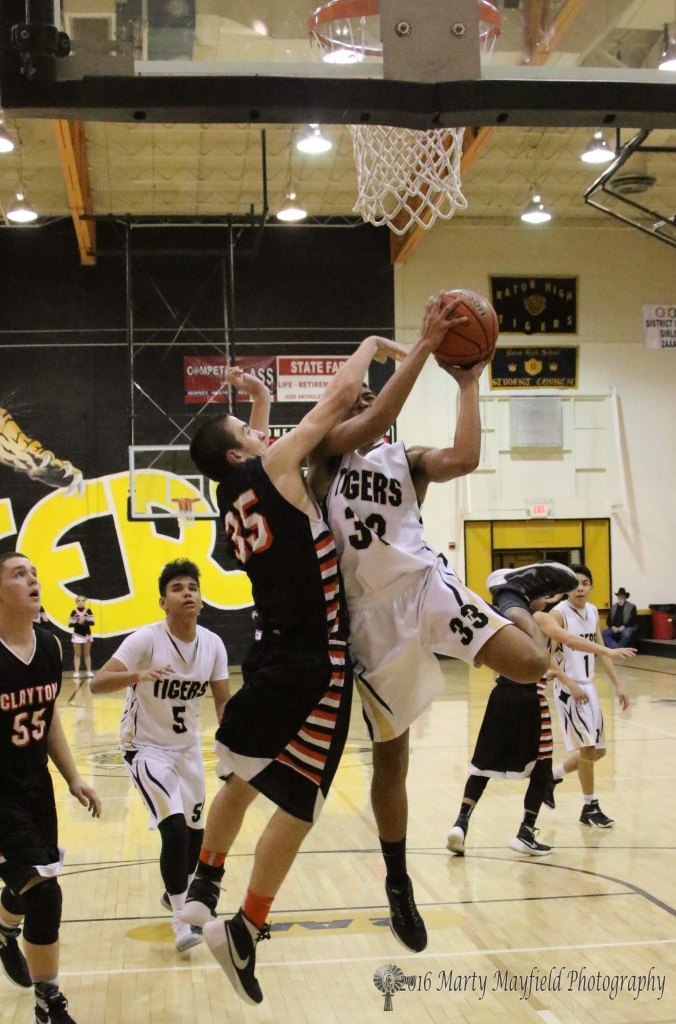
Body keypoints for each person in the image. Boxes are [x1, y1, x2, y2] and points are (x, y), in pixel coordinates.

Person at [307, 292, 578, 953]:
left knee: (531, 664)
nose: (357, 405)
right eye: (352, 400)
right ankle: (397, 877)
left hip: (427, 585)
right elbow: (373, 419)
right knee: (391, 759)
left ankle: (508, 594)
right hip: (371, 622)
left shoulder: (406, 461)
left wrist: (469, 384)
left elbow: (464, 457)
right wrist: (424, 345)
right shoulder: (324, 454)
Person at [180, 338, 413, 1006]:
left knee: (243, 774)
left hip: (271, 653)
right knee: (301, 801)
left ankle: (205, 882)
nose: (260, 432)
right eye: (248, 430)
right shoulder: (277, 464)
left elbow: (256, 442)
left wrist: (255, 397)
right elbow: (336, 401)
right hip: (318, 661)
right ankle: (247, 925)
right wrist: (369, 346)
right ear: (238, 452)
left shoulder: (234, 503)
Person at [90, 559, 229, 953]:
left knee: (194, 842)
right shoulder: (145, 641)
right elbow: (98, 684)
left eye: (192, 587)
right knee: (173, 829)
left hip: (187, 752)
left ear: (201, 599)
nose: (187, 593)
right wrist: (137, 675)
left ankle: (174, 894)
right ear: (162, 602)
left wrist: (234, 744)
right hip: (145, 748)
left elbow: (223, 703)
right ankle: (181, 922)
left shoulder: (214, 644)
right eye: (177, 588)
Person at [0, 551, 100, 1024]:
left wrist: (73, 775)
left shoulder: (51, 647)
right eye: (19, 575)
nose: (33, 579)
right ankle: (48, 1004)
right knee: (45, 895)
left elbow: (49, 713)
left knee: (28, 881)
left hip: (36, 789)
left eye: (34, 573)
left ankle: (0, 931)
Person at [447, 594, 636, 857]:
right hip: (529, 700)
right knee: (542, 768)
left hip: (500, 697)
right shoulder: (538, 618)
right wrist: (605, 651)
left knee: (482, 764)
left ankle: (460, 824)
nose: (549, 598)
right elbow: (569, 640)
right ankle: (525, 833)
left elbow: (476, 656)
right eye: (543, 594)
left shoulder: (501, 620)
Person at [547, 565, 630, 827]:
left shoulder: (593, 611)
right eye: (574, 584)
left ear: (592, 586)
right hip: (569, 688)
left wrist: (618, 685)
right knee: (588, 748)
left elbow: (601, 650)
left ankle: (550, 777)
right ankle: (590, 807)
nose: (580, 588)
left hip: (589, 686)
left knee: (598, 752)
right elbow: (546, 656)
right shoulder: (558, 614)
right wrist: (568, 683)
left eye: (584, 583)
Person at [67, 596, 94, 679]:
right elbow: (70, 624)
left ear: (84, 602)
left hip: (87, 635)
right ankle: (76, 672)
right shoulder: (73, 612)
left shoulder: (88, 611)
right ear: (76, 602)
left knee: (87, 654)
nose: (80, 602)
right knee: (77, 654)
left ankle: (89, 671)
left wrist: (84, 621)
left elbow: (92, 622)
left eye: (82, 600)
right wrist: (78, 622)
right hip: (77, 635)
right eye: (78, 601)